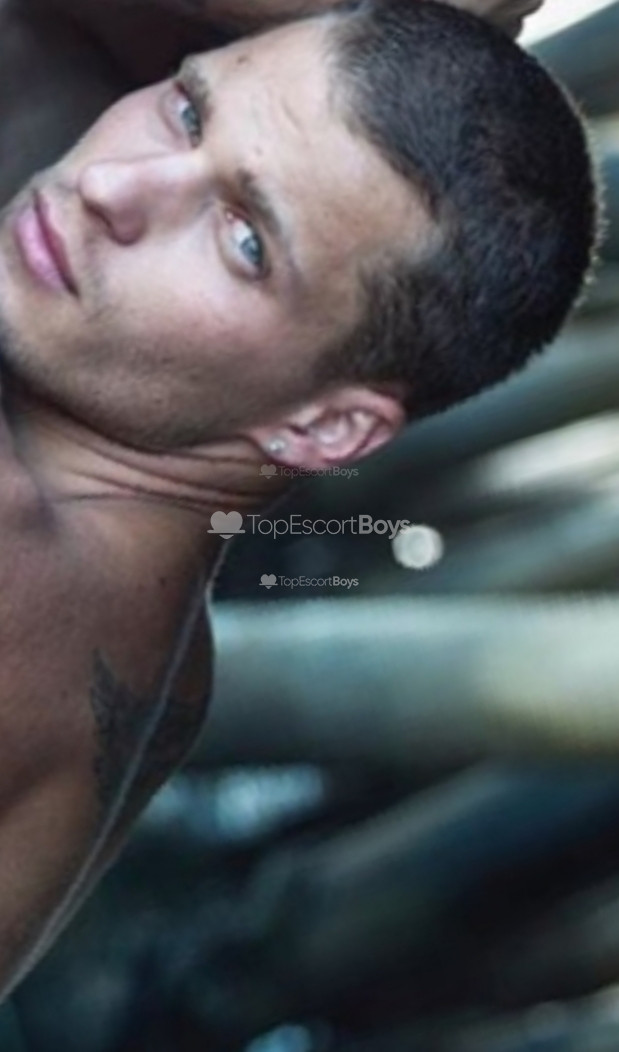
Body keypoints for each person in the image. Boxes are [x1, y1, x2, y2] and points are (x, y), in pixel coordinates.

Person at [0, 0, 597, 998]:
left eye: (244, 242)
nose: (111, 186)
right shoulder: (171, 671)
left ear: (326, 429)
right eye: (187, 112)